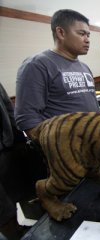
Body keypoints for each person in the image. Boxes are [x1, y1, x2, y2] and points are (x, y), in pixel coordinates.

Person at [15, 9, 99, 138]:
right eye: (82, 34)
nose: (87, 40)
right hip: (65, 151)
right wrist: (55, 149)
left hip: (92, 144)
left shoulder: (84, 67)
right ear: (61, 33)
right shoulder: (37, 65)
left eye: (88, 35)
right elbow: (27, 118)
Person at [0, 83, 28, 240]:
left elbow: (7, 106)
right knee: (3, 208)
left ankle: (18, 229)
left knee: (14, 194)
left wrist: (19, 138)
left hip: (6, 145)